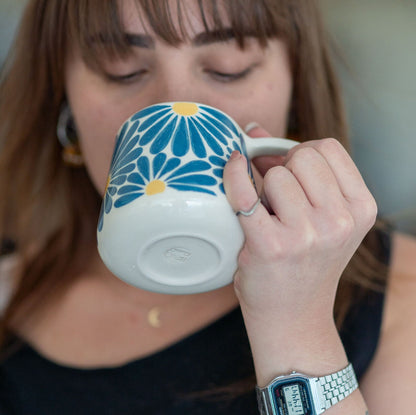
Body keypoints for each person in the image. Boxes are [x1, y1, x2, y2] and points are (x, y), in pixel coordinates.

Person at [0, 0, 415, 414]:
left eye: (227, 67)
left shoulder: (401, 295)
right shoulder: (10, 291)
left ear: (296, 85)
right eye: (121, 67)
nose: (176, 105)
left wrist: (297, 328)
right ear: (62, 96)